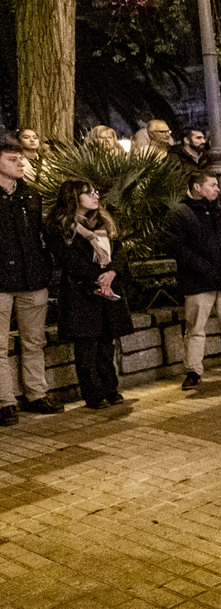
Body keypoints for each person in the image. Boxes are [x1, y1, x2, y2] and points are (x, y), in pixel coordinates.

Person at [47, 180, 135, 410]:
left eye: (95, 192)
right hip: (82, 294)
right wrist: (98, 276)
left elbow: (120, 251)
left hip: (107, 293)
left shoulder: (104, 222)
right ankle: (94, 394)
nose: (95, 196)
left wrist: (112, 272)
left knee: (107, 345)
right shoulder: (62, 227)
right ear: (74, 198)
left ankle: (111, 389)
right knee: (86, 348)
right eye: (89, 193)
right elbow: (69, 260)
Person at [163, 170, 221, 390]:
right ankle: (193, 370)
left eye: (217, 185)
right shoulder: (180, 213)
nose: (218, 189)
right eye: (212, 185)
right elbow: (176, 247)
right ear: (197, 187)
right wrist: (203, 267)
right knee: (195, 328)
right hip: (198, 282)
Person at [1, 139, 64, 425]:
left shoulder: (31, 194)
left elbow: (41, 235)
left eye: (20, 159)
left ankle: (36, 394)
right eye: (13, 159)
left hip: (32, 279)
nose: (21, 163)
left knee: (34, 342)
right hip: (1, 282)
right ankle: (5, 402)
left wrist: (46, 266)